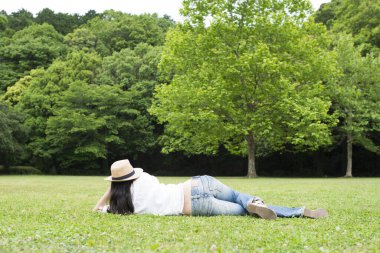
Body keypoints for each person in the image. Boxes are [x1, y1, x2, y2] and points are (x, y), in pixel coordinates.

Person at [93, 159, 328, 219]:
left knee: (244, 211)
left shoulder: (122, 209)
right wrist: (117, 181)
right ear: (132, 173)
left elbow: (98, 207)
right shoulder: (145, 179)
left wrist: (113, 187)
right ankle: (257, 202)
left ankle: (295, 210)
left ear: (114, 184)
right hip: (197, 183)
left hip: (195, 206)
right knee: (240, 197)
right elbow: (138, 173)